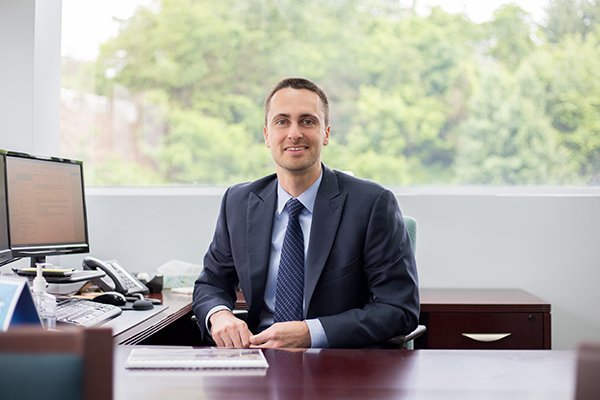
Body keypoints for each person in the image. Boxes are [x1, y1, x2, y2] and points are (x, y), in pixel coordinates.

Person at [192, 77, 419, 348]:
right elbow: (211, 283)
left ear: (326, 133)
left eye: (307, 121)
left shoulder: (371, 204)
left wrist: (310, 333)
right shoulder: (239, 202)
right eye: (282, 121)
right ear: (267, 135)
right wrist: (219, 315)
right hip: (257, 356)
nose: (294, 133)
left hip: (336, 360)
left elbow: (398, 309)